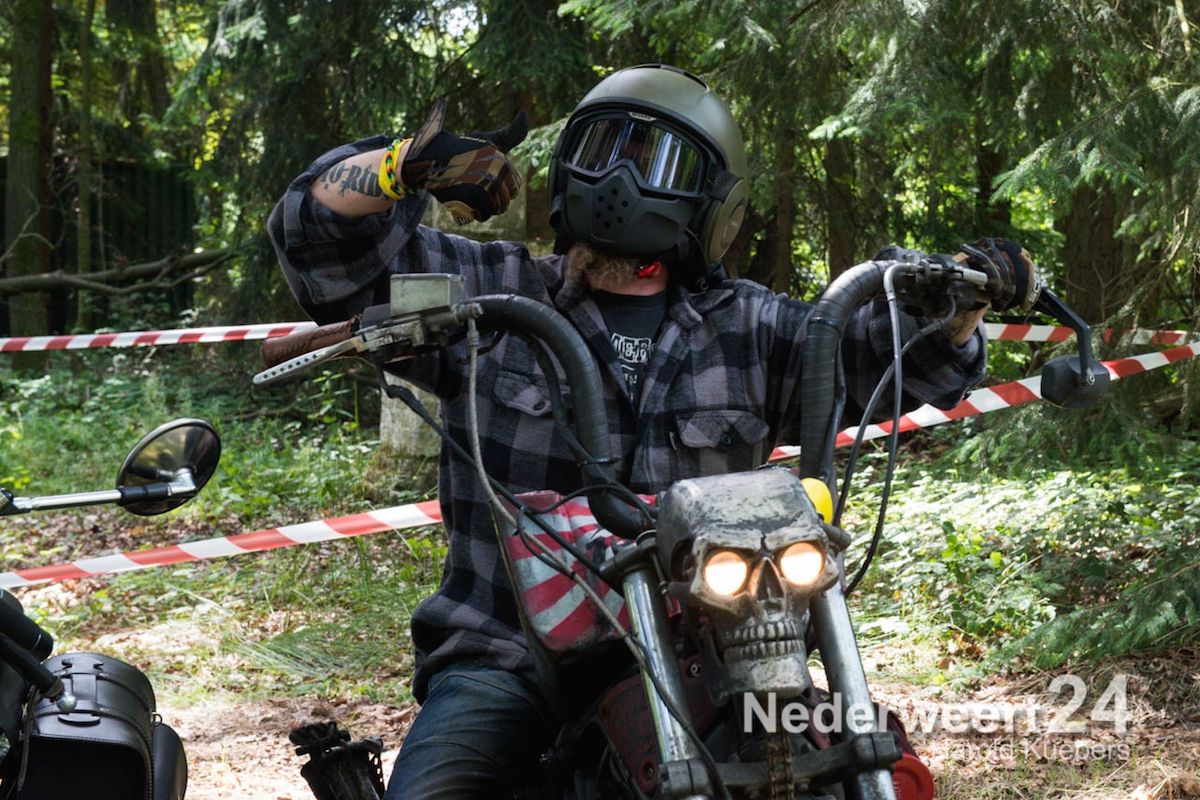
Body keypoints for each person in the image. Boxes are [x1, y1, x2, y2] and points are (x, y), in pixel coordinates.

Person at [269, 64, 1038, 799]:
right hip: (507, 655)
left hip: (716, 651)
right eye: (603, 150)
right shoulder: (493, 291)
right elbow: (320, 245)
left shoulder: (754, 328)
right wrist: (404, 166)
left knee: (843, 766)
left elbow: (892, 355)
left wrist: (959, 300)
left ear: (712, 199)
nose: (620, 178)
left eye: (655, 161)